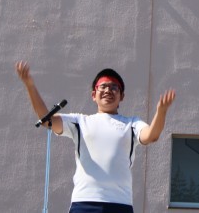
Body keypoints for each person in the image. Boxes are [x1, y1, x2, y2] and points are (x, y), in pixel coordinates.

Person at [16, 60, 176, 213]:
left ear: (122, 96)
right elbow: (47, 120)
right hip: (84, 202)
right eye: (103, 86)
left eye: (114, 87)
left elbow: (151, 135)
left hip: (120, 204)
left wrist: (161, 112)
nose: (108, 91)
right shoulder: (80, 121)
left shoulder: (132, 124)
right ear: (94, 94)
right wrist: (30, 85)